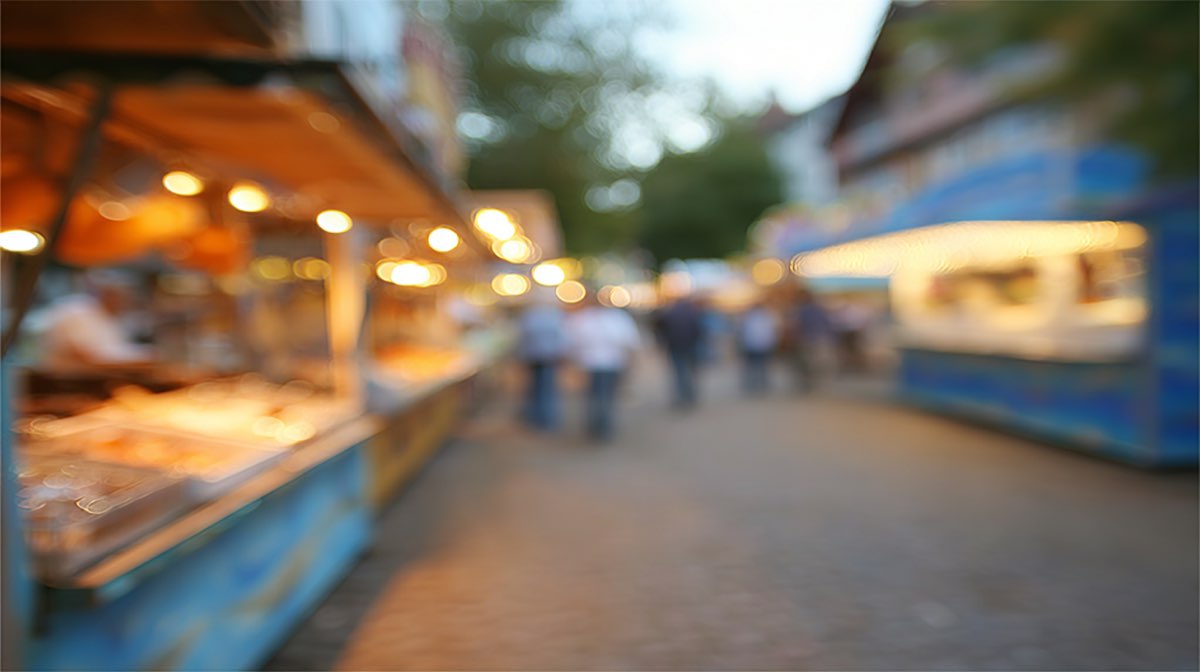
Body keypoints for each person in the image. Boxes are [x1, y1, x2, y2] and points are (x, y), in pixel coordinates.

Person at [38, 273, 155, 373]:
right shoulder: (77, 311)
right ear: (110, 295)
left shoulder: (111, 317)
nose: (127, 303)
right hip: (66, 380)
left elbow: (114, 350)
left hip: (96, 378)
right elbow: (84, 355)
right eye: (124, 297)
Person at [566, 292, 641, 442]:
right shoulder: (616, 318)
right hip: (604, 363)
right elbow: (630, 341)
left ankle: (598, 426)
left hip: (598, 364)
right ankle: (602, 427)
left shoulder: (582, 318)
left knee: (595, 396)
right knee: (604, 396)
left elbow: (571, 342)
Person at [516, 296, 568, 431]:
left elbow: (522, 336)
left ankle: (538, 417)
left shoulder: (529, 317)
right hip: (548, 357)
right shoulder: (556, 316)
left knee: (536, 388)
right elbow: (563, 338)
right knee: (546, 388)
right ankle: (546, 419)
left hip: (534, 356)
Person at [652, 295, 705, 410]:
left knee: (679, 374)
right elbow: (699, 330)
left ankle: (682, 398)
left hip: (674, 347)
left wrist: (663, 341)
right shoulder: (692, 313)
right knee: (691, 372)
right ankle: (690, 396)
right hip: (690, 347)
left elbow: (659, 328)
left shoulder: (669, 314)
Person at [786, 289, 832, 393]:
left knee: (808, 363)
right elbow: (828, 325)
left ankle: (809, 383)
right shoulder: (819, 310)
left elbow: (796, 326)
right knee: (816, 364)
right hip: (818, 340)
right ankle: (815, 383)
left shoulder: (801, 310)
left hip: (807, 341)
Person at [737, 301, 780, 395]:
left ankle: (755, 385)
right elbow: (773, 332)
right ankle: (760, 385)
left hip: (753, 345)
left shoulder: (749, 317)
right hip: (762, 345)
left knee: (754, 367)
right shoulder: (767, 317)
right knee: (762, 367)